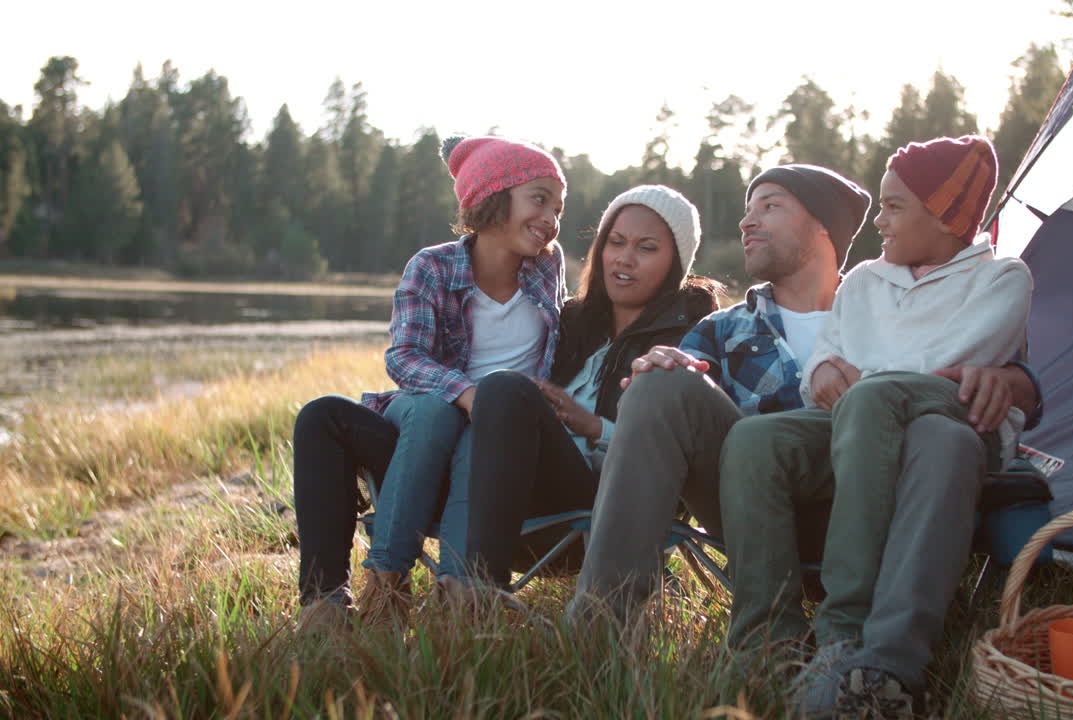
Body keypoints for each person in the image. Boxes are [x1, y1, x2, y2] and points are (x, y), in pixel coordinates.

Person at [721, 135, 1029, 719]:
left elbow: (948, 368)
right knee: (755, 439)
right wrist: (824, 373)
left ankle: (843, 630)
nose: (879, 221)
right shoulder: (864, 279)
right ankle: (768, 643)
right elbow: (828, 354)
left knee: (876, 399)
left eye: (893, 207)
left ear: (944, 214)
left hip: (944, 417)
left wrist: (863, 380)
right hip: (854, 425)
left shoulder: (1001, 278)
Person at [292, 134, 567, 631]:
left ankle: (457, 596)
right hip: (423, 433)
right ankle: (331, 604)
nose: (551, 218)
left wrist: (499, 407)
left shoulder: (549, 265)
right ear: (493, 198)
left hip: (500, 449)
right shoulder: (432, 265)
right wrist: (467, 393)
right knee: (328, 415)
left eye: (558, 208)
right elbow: (404, 356)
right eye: (539, 199)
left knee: (484, 428)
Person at [449, 185, 720, 594]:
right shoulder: (570, 321)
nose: (624, 258)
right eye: (616, 242)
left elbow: (684, 459)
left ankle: (479, 588)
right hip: (518, 486)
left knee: (505, 388)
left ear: (676, 263)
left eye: (646, 248)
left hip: (603, 506)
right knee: (348, 418)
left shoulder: (692, 337)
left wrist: (593, 426)